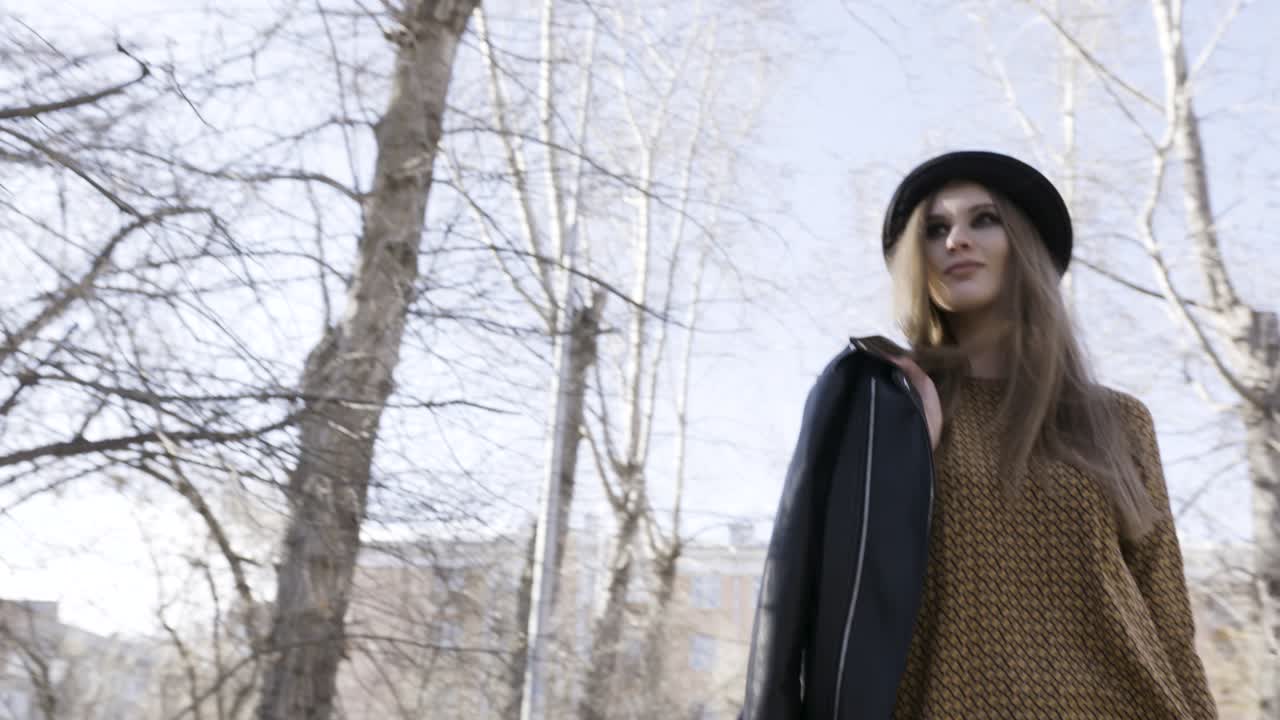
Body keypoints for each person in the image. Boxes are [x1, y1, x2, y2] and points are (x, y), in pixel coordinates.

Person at [741, 151, 1217, 719]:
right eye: (936, 229)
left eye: (983, 220)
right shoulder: (881, 402)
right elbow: (804, 597)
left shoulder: (1117, 420)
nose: (956, 240)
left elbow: (1167, 618)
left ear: (1025, 245)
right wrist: (911, 449)